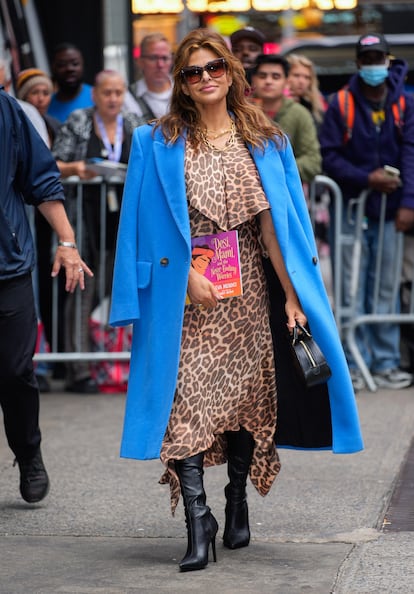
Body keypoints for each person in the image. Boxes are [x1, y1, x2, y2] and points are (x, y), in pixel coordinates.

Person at [109, 28, 363, 573]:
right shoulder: (155, 141)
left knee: (246, 406)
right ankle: (197, 522)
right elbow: (134, 227)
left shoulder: (267, 139)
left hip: (249, 295)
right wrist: (170, 285)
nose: (204, 79)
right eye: (191, 72)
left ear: (231, 72)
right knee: (186, 407)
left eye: (213, 68)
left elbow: (280, 232)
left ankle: (237, 498)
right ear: (179, 82)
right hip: (186, 297)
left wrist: (293, 301)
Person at [0, 86, 92, 503]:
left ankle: (28, 452)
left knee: (16, 371)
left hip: (7, 266)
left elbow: (39, 175)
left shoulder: (6, 111)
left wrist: (67, 241)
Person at [319, 33, 414, 391]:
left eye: (379, 58)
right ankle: (352, 362)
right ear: (358, 63)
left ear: (387, 60)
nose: (374, 65)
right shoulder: (340, 103)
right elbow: (329, 156)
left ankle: (386, 362)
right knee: (351, 287)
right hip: (351, 209)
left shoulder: (405, 102)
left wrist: (408, 203)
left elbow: (410, 153)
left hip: (391, 211)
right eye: (367, 58)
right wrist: (366, 178)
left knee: (386, 286)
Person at [52, 69, 145, 393]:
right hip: (84, 217)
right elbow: (53, 164)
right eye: (107, 92)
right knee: (81, 290)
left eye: (118, 92)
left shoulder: (134, 122)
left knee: (111, 289)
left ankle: (111, 361)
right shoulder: (79, 120)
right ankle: (79, 369)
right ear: (95, 95)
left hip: (121, 221)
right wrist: (76, 169)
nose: (113, 99)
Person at [250, 54, 322, 184]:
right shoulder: (242, 113)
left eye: (276, 77)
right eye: (262, 76)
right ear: (253, 80)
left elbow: (313, 161)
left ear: (286, 81)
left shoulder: (300, 114)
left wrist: (275, 169)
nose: (268, 81)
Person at [125, 33, 173, 120]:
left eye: (165, 58)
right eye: (153, 58)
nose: (160, 65)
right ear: (140, 61)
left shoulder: (185, 91)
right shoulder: (128, 97)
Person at [48, 43, 94, 123]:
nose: (69, 69)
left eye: (75, 64)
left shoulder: (97, 98)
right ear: (53, 68)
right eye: (62, 65)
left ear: (83, 66)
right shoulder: (45, 104)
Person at [286, 53, 326, 129]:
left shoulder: (314, 106)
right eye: (296, 75)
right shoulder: (275, 104)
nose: (302, 81)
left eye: (307, 77)